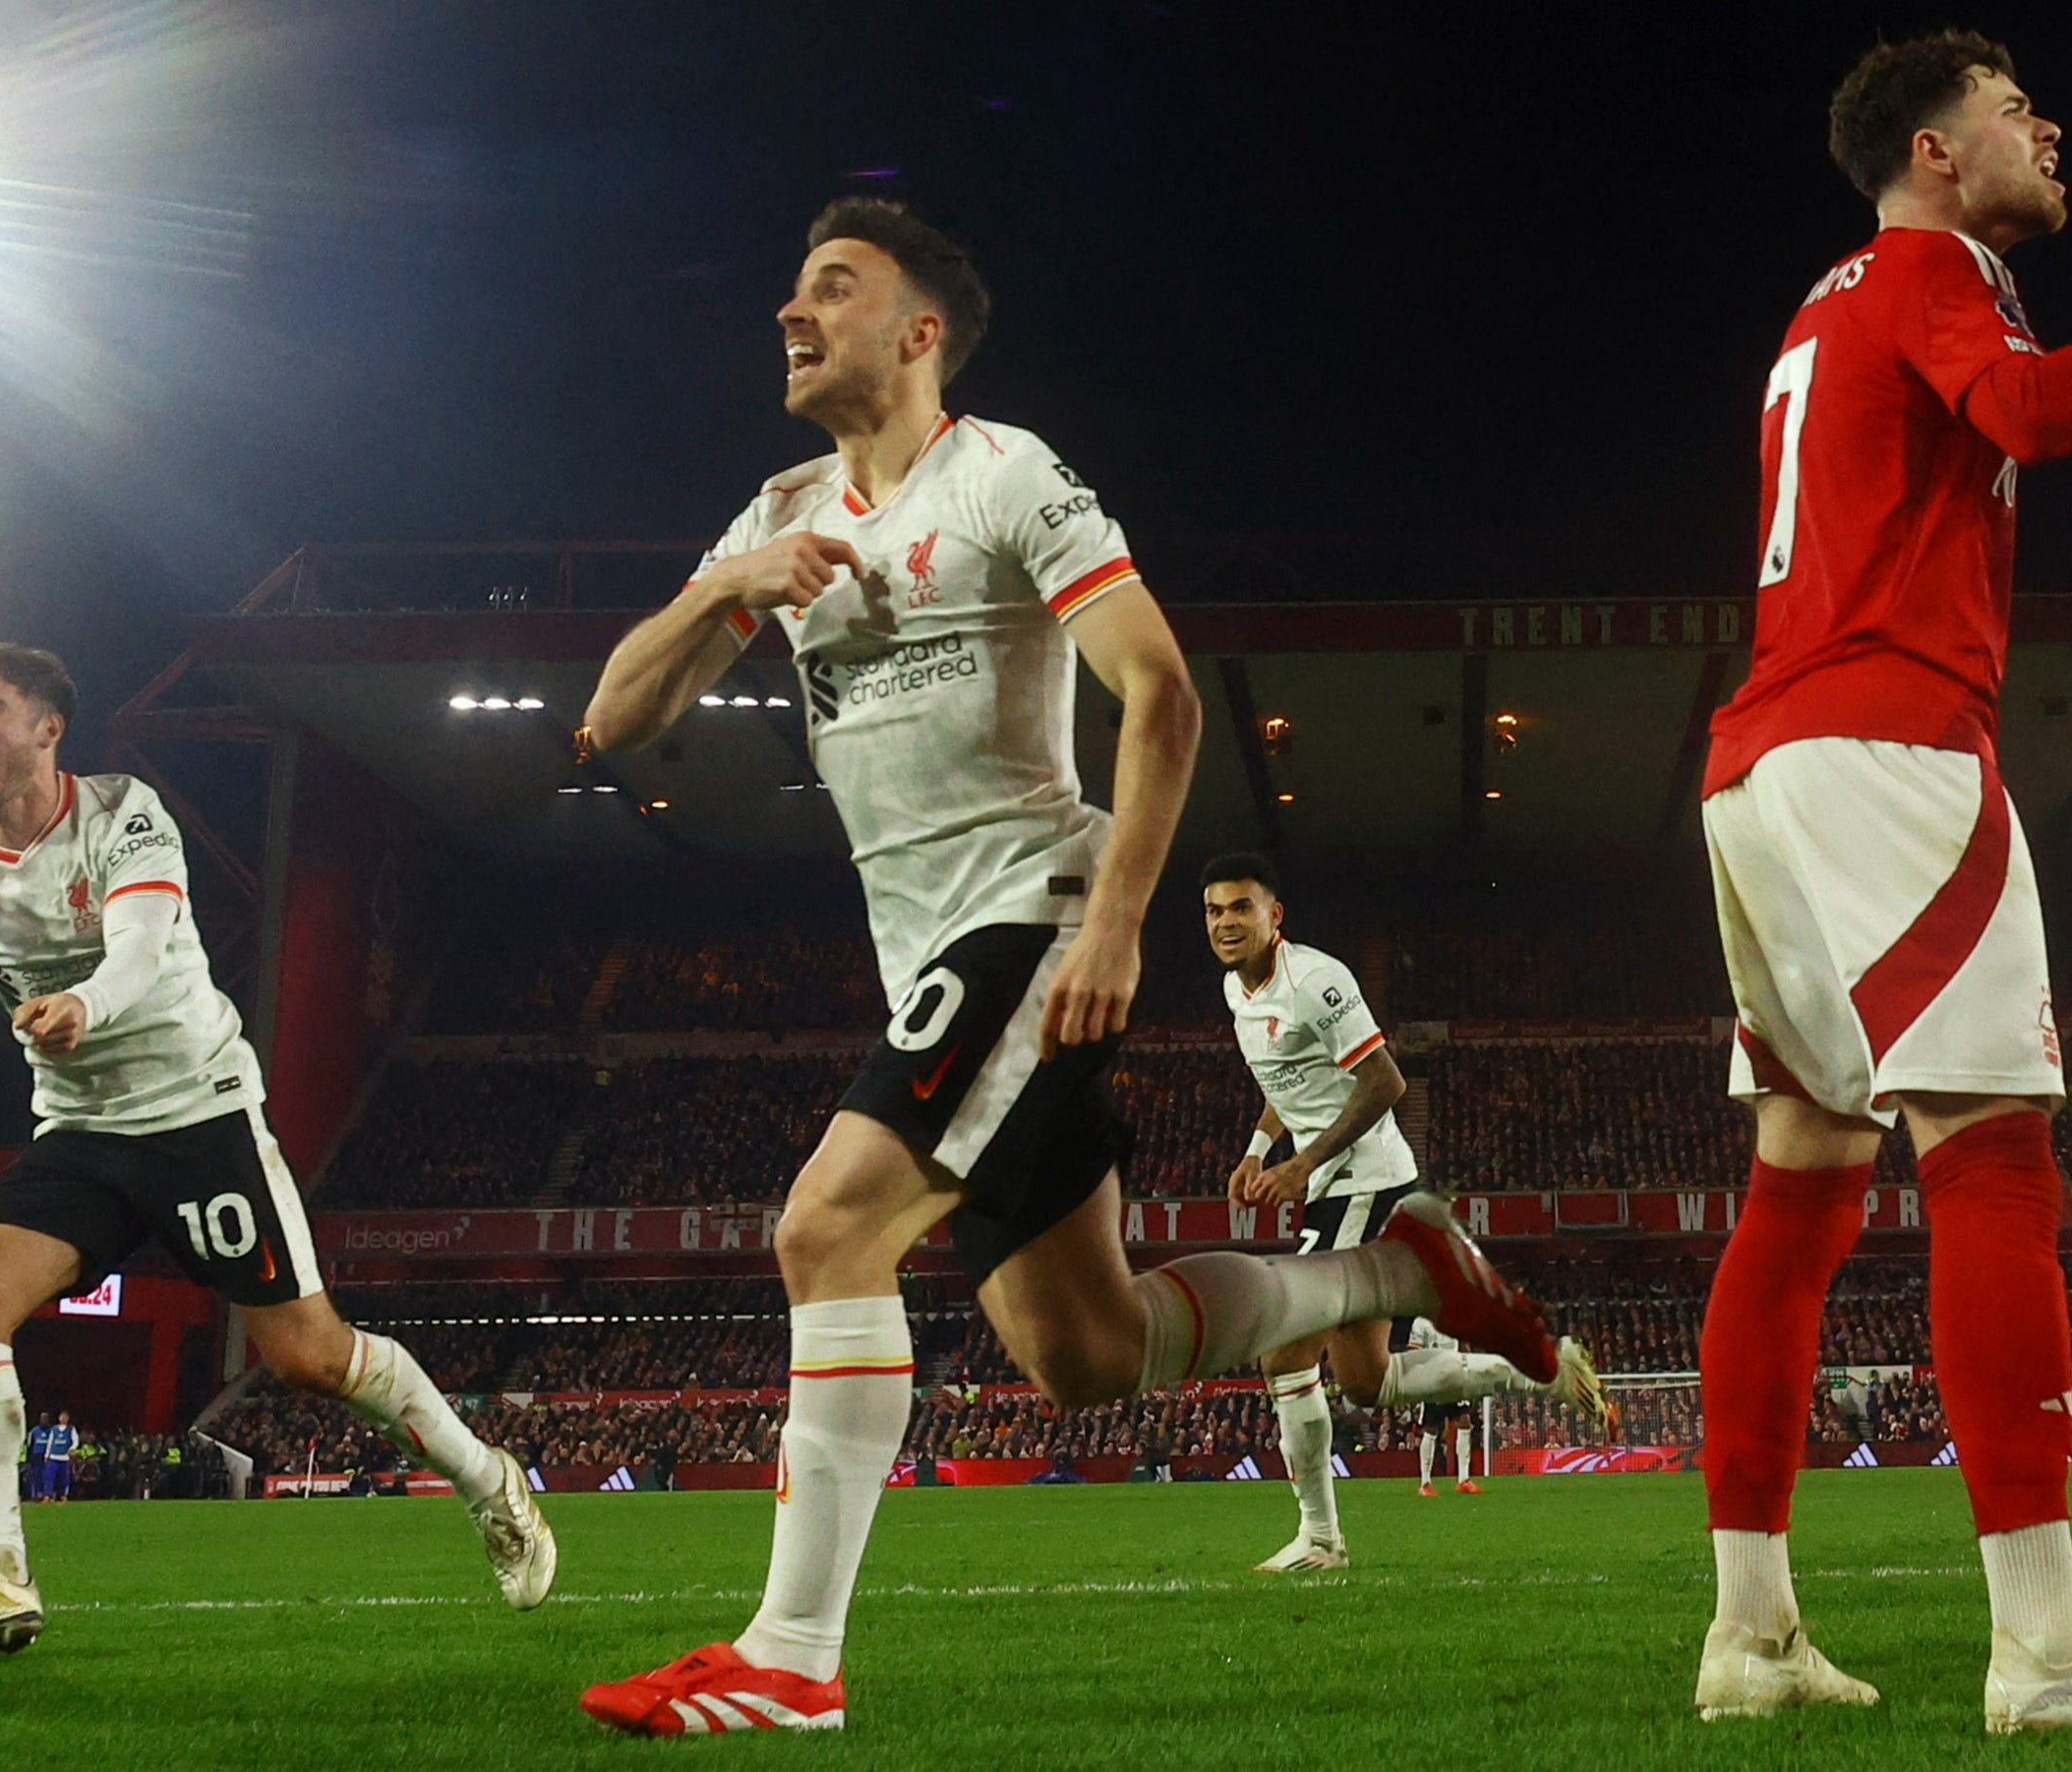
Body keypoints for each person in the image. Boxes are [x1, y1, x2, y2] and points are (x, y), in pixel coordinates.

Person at [573, 198, 1559, 1738]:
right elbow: (610, 723)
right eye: (790, 286)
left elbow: (1158, 694)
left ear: (917, 333)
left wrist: (1110, 919)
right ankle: (1392, 1266)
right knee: (1084, 1354)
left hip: (1030, 914)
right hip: (927, 955)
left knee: (824, 1229)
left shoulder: (1004, 474)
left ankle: (791, 1656)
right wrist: (722, 587)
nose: (789, 309)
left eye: (830, 287)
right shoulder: (774, 511)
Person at [1692, 31, 2072, 1733]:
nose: (2051, 128)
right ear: (1936, 153)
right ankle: (2046, 1649)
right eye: (2018, 109)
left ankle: (1754, 1629)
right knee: (1995, 1157)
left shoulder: (1829, 302)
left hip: (1760, 767)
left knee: (1798, 1187)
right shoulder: (1934, 269)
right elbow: (2022, 410)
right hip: (1887, 744)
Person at [0, 643, 557, 1656]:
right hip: (83, 1133)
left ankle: (486, 1477)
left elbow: (143, 949)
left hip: (198, 1114)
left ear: (46, 728)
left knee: (312, 1356)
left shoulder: (123, 813)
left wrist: (86, 1004)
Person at [1202, 854, 1612, 1571]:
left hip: (1364, 1179)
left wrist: (1302, 1163)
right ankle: (1539, 1368)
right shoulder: (1238, 993)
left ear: (1275, 916)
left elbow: (1384, 1080)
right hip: (1335, 1185)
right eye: (1214, 911)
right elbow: (1289, 1078)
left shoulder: (1318, 980)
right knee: (1366, 1381)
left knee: (1283, 1352)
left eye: (1241, 907)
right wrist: (1258, 1148)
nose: (1227, 922)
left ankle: (1322, 1539)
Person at [1406, 1323, 1482, 1497]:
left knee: (1464, 1422)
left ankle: (1464, 1480)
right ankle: (1425, 1483)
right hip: (1432, 1380)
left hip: (1453, 1378)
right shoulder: (1421, 1322)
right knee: (1431, 1428)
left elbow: (1463, 1345)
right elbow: (1413, 1351)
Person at [36, 1412, 79, 1503]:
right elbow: (50, 1442)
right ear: (59, 1418)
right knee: (49, 1477)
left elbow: (75, 1441)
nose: (63, 1419)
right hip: (53, 1457)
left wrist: (71, 1449)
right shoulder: (54, 1429)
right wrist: (47, 1455)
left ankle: (63, 1496)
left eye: (65, 1417)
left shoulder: (71, 1429)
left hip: (64, 1457)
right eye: (62, 1417)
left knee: (64, 1478)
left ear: (68, 1419)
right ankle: (47, 1495)